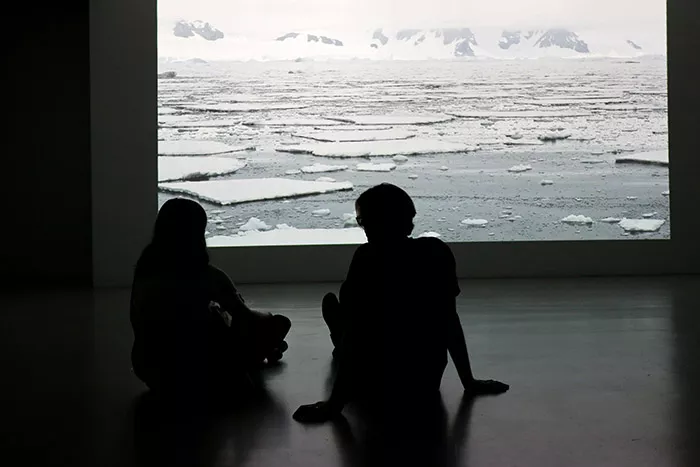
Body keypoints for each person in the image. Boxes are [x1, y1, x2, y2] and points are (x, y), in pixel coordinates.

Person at [294, 183, 509, 423]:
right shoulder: (436, 252)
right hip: (424, 381)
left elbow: (358, 334)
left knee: (342, 308)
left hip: (372, 381)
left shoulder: (366, 258)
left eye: (363, 221)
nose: (364, 227)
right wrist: (468, 381)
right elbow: (449, 320)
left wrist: (334, 405)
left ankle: (337, 331)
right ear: (408, 221)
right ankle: (339, 328)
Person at [130, 198, 291, 399]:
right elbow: (245, 318)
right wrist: (265, 319)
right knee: (279, 323)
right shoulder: (207, 275)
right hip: (197, 372)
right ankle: (263, 353)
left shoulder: (144, 271)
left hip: (150, 370)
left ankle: (265, 351)